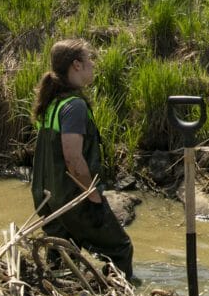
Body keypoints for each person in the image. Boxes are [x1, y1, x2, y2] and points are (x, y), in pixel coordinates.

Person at [30, 38, 134, 278]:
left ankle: (61, 294)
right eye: (89, 59)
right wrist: (93, 195)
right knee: (120, 249)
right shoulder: (74, 106)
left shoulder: (52, 103)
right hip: (74, 199)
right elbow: (73, 159)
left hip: (48, 199)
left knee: (62, 255)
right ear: (76, 65)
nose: (93, 64)